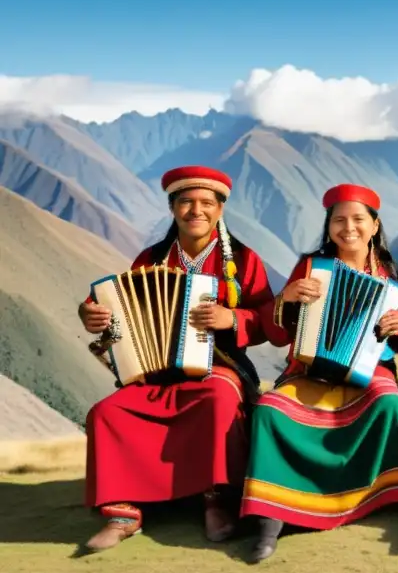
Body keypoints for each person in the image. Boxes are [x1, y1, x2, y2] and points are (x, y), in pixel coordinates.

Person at [78, 165, 274, 551]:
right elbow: (121, 302)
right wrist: (91, 313)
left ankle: (216, 499)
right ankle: (123, 511)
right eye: (185, 202)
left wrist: (232, 318)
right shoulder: (151, 257)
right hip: (159, 371)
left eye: (206, 202)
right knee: (107, 413)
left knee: (218, 401)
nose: (195, 210)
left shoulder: (244, 260)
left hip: (222, 366)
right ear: (172, 208)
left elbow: (270, 320)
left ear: (220, 209)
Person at [240, 184, 398, 563]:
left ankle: (377, 499)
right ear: (328, 226)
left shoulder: (393, 273)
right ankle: (271, 519)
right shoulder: (310, 268)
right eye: (339, 220)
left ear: (375, 225)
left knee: (388, 402)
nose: (348, 227)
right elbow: (276, 334)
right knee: (270, 408)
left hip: (371, 371)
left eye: (358, 219)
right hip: (307, 370)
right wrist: (285, 299)